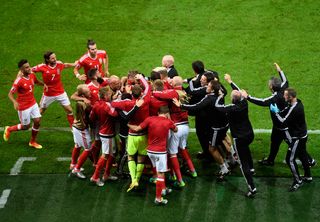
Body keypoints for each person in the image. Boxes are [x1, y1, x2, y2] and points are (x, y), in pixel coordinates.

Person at [245, 63, 316, 167]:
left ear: (271, 86)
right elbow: (285, 80)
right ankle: (270, 160)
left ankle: (310, 160)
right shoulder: (283, 88)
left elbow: (262, 101)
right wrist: (280, 70)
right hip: (277, 126)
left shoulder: (275, 97)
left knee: (294, 145)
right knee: (274, 142)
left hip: (284, 127)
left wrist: (248, 97)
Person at [173, 79, 229, 181]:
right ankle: (230, 160)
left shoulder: (209, 98)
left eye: (208, 86)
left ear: (212, 89)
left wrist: (181, 105)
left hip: (217, 127)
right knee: (219, 142)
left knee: (212, 148)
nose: (206, 87)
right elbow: (224, 91)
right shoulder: (221, 94)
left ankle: (224, 168)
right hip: (224, 124)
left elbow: (196, 107)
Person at [215, 74, 256, 198]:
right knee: (246, 149)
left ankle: (252, 188)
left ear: (233, 100)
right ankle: (252, 169)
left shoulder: (231, 108)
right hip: (250, 134)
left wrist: (220, 96)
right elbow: (239, 92)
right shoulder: (244, 103)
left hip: (239, 138)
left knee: (243, 165)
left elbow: (218, 107)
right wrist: (230, 81)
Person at [128, 106, 177, 205]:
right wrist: (169, 119)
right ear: (167, 113)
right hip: (160, 152)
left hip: (150, 151)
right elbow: (175, 130)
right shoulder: (168, 122)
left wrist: (128, 125)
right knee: (161, 174)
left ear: (158, 112)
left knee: (156, 169)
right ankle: (158, 198)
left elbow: (137, 129)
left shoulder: (150, 119)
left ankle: (163, 189)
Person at [111, 74, 151, 192]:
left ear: (132, 94)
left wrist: (116, 98)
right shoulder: (146, 100)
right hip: (143, 134)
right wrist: (142, 78)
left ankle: (133, 180)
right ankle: (137, 178)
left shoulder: (127, 104)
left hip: (132, 135)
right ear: (141, 93)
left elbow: (113, 104)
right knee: (141, 158)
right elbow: (148, 88)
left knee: (130, 157)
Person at [270, 88, 312, 191]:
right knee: (302, 155)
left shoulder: (295, 109)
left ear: (290, 97)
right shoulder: (296, 103)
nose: (283, 97)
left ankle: (298, 181)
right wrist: (280, 111)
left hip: (297, 138)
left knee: (290, 160)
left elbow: (283, 122)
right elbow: (287, 111)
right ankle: (308, 176)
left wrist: (276, 113)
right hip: (302, 135)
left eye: (285, 95)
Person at [4, 59, 46, 149]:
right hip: (23, 107)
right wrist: (15, 102)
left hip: (33, 103)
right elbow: (10, 94)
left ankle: (32, 141)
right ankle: (9, 129)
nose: (29, 68)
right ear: (22, 70)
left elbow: (37, 82)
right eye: (26, 67)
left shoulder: (32, 75)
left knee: (37, 121)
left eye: (29, 66)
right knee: (25, 126)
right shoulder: (19, 81)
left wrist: (45, 85)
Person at [32, 51, 75, 128]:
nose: (55, 59)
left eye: (55, 57)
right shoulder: (42, 67)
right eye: (52, 58)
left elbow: (65, 65)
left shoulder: (59, 64)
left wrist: (74, 64)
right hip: (48, 94)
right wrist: (37, 81)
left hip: (60, 92)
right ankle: (33, 125)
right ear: (47, 60)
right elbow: (30, 71)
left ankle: (73, 129)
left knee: (69, 110)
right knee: (40, 112)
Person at [89, 87, 119, 186]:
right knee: (106, 155)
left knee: (112, 153)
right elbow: (114, 114)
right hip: (108, 133)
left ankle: (106, 174)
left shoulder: (96, 104)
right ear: (105, 96)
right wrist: (115, 103)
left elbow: (92, 117)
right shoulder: (107, 105)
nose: (111, 95)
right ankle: (95, 176)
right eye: (110, 94)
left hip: (102, 131)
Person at [70, 84, 92, 178]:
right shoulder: (83, 104)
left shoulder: (81, 101)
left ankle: (73, 164)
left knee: (77, 145)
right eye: (87, 92)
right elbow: (88, 118)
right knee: (88, 149)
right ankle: (77, 169)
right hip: (81, 129)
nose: (90, 92)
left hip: (76, 126)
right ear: (82, 95)